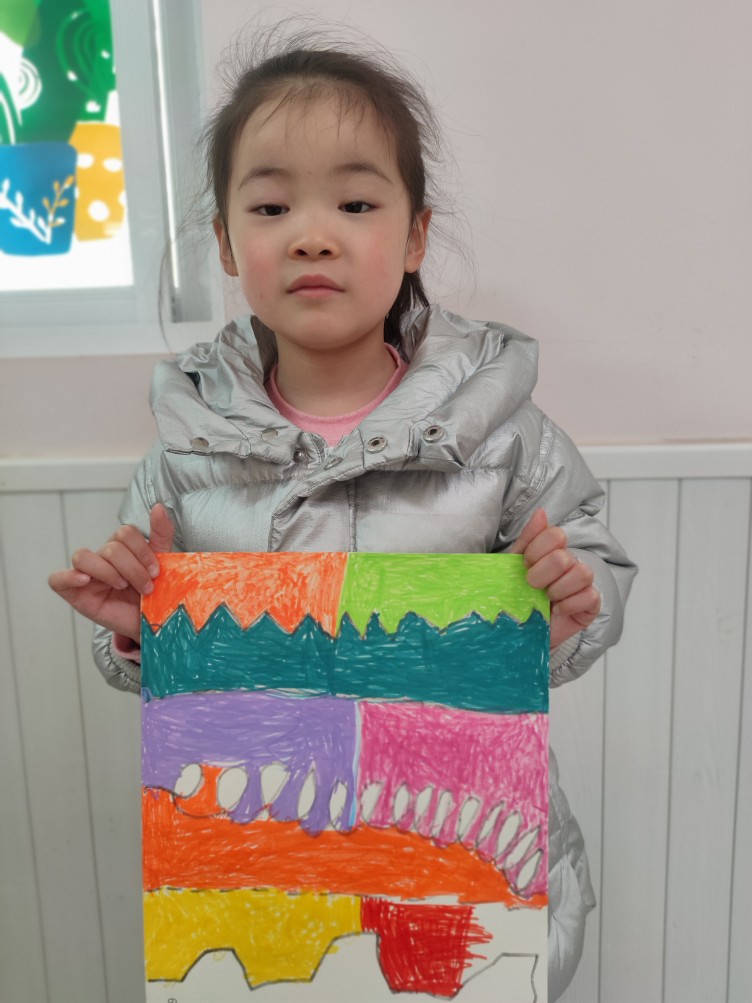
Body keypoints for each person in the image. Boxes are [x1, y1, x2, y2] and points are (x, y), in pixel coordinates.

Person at [48, 37, 636, 1000]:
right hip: (268, 900)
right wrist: (137, 632)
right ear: (227, 244)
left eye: (356, 205)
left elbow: (591, 572)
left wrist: (571, 605)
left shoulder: (500, 435)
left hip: (471, 896)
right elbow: (167, 668)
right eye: (272, 207)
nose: (313, 236)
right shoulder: (184, 453)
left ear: (415, 237)